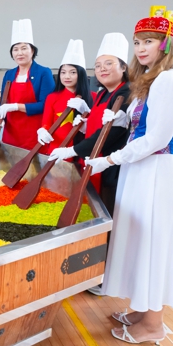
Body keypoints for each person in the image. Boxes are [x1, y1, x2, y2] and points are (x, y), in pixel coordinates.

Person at [85, 17, 173, 344]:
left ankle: (154, 324)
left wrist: (110, 159)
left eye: (149, 41)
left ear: (166, 44)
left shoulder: (170, 79)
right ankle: (143, 310)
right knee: (140, 242)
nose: (141, 48)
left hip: (158, 172)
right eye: (137, 42)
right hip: (142, 172)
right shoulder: (151, 79)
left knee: (154, 244)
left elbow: (157, 138)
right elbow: (142, 127)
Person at [49, 33, 131, 215]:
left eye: (109, 64)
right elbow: (98, 125)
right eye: (98, 65)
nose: (102, 69)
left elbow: (110, 135)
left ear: (123, 67)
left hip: (109, 166)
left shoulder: (125, 94)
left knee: (108, 211)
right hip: (93, 160)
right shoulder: (103, 93)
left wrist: (72, 150)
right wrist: (85, 125)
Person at [0, 19, 55, 150]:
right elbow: (3, 103)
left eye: (24, 48)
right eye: (15, 49)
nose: (19, 53)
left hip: (34, 134)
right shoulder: (9, 74)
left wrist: (15, 106)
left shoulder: (43, 72)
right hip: (11, 134)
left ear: (32, 50)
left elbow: (46, 105)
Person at [36, 39, 94, 154]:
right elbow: (46, 123)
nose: (67, 76)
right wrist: (42, 131)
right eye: (63, 72)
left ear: (81, 74)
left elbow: (96, 127)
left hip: (82, 152)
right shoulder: (52, 97)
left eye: (72, 72)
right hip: (56, 150)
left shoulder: (94, 96)